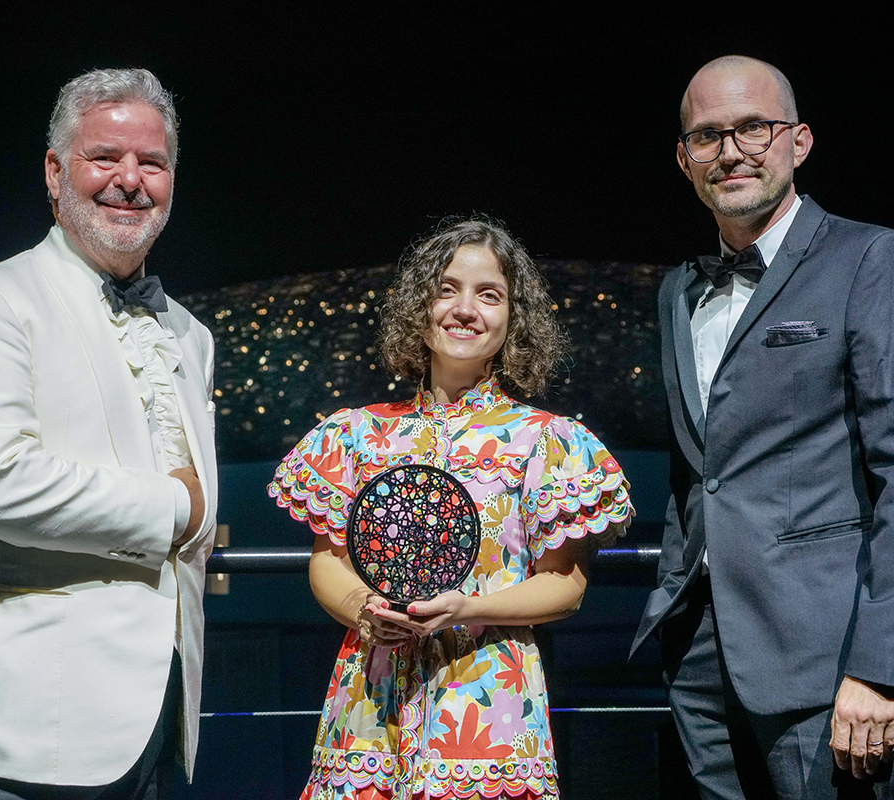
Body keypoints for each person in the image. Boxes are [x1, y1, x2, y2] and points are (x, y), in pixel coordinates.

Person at [629, 56, 894, 799]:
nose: (732, 150)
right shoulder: (678, 291)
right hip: (701, 655)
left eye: (753, 128)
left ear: (798, 142)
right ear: (685, 160)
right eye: (707, 136)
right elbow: (701, 471)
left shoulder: (873, 259)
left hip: (827, 656)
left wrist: (881, 665)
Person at [0, 68, 218, 799]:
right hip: (24, 725)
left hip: (154, 726)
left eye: (153, 163)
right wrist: (178, 510)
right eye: (105, 157)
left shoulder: (191, 335)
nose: (130, 180)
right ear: (54, 172)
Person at [269, 217, 634, 799]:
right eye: (447, 288)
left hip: (487, 701)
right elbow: (327, 562)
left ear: (515, 319)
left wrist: (467, 607)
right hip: (371, 702)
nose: (465, 309)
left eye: (488, 295)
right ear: (420, 304)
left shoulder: (547, 441)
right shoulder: (357, 434)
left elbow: (563, 586)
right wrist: (364, 609)